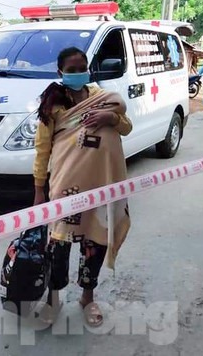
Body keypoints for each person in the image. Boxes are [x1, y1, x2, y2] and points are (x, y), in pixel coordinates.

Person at [33, 47, 132, 328]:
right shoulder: (53, 104)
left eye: (82, 68)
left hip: (101, 184)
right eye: (72, 70)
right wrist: (39, 189)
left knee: (95, 242)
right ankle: (53, 300)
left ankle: (87, 298)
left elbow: (126, 128)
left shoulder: (103, 98)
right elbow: (42, 149)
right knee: (58, 245)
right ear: (60, 72)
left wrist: (110, 119)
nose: (78, 73)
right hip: (65, 186)